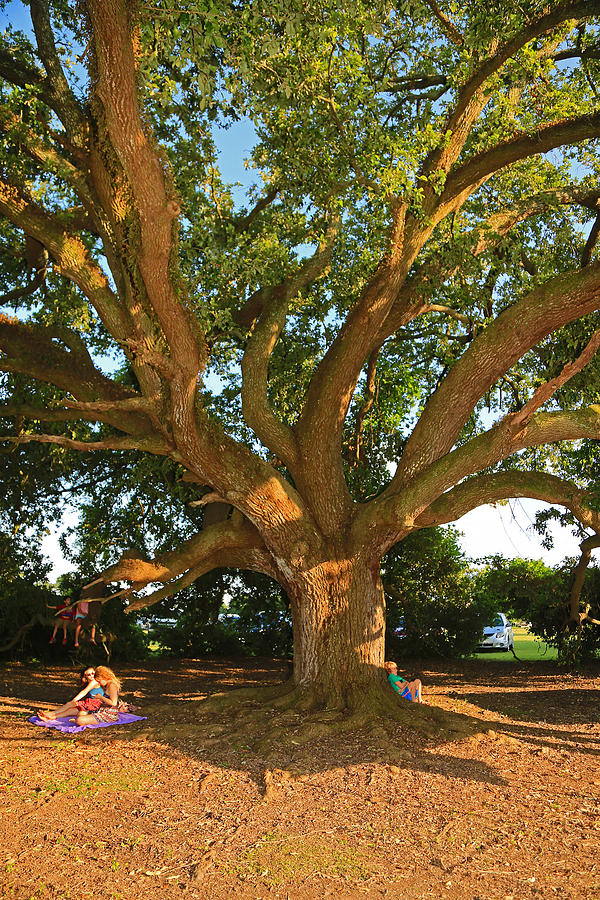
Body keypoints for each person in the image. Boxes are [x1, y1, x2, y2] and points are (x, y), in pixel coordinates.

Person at [38, 667, 104, 721]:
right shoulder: (90, 683)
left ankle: (51, 714)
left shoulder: (95, 681)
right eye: (89, 675)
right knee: (70, 711)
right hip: (90, 705)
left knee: (70, 704)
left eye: (93, 673)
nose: (92, 676)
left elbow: (84, 691)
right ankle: (50, 717)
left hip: (96, 705)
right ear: (86, 677)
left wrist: (74, 700)